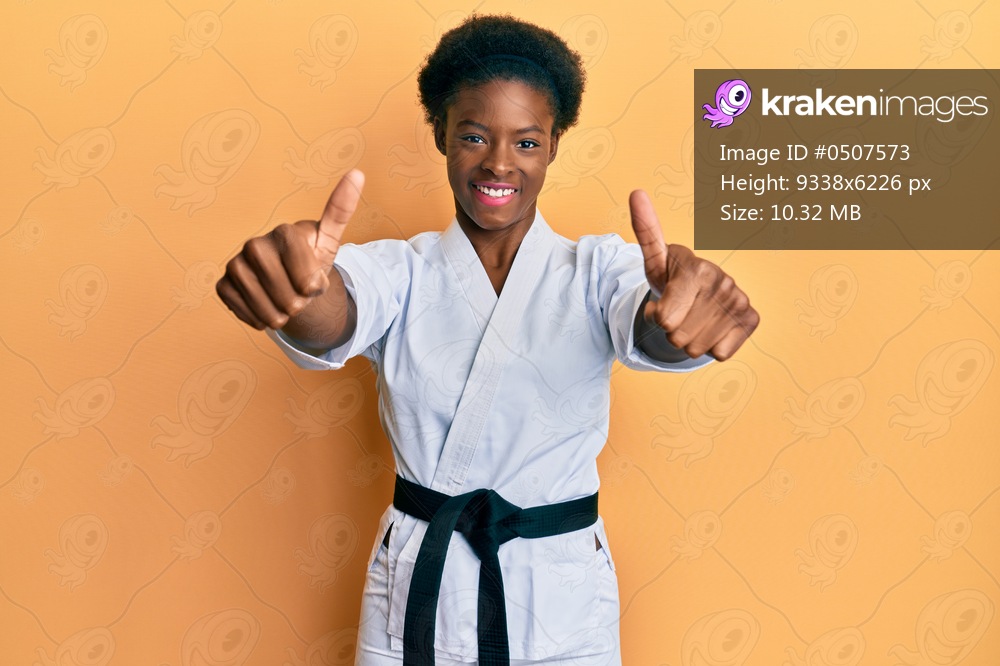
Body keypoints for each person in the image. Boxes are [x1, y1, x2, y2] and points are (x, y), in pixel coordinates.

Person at [216, 14, 758, 666]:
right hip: (420, 583)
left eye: (526, 142)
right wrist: (299, 292)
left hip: (561, 588)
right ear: (442, 135)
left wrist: (678, 316)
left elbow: (647, 319)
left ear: (554, 144)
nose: (499, 162)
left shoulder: (596, 270)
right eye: (474, 135)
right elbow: (340, 309)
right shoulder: (401, 269)